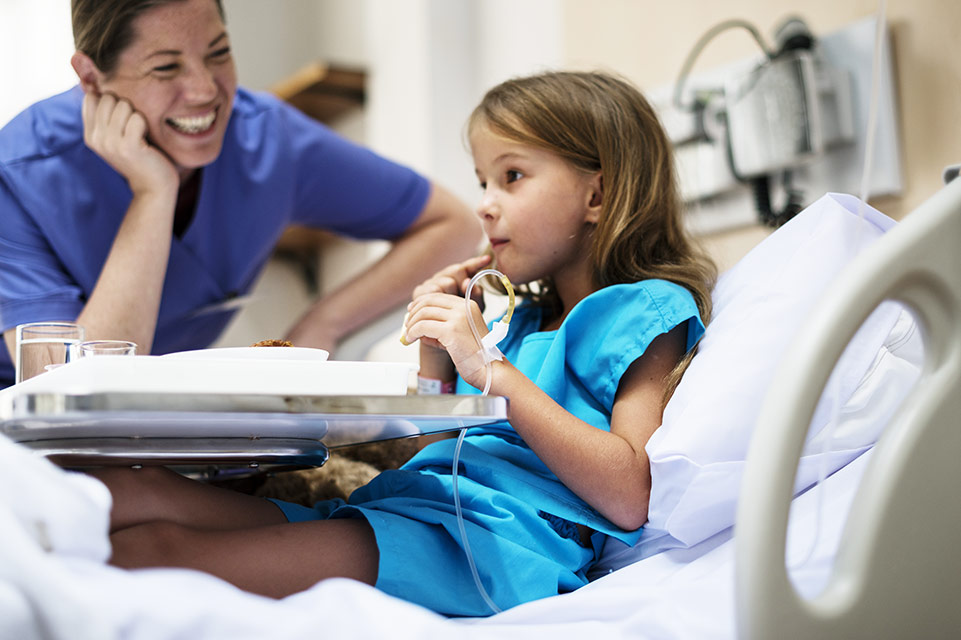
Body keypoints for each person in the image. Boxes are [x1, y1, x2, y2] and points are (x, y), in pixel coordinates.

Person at [88, 70, 717, 617]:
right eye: (482, 183)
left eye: (512, 177)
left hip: (491, 547)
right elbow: (443, 452)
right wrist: (439, 362)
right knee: (128, 491)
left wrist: (488, 366)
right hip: (423, 508)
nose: (486, 208)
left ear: (597, 195)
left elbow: (632, 495)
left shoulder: (647, 310)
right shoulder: (521, 317)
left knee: (153, 553)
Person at [0, 0, 480, 388]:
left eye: (218, 52)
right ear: (90, 78)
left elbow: (452, 225)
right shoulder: (18, 173)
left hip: (159, 426)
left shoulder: (267, 139)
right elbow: (60, 397)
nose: (205, 90)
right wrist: (154, 192)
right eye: (166, 68)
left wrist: (322, 327)